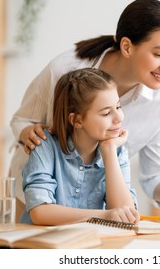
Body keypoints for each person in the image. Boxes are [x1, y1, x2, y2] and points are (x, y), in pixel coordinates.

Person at [10, 0, 160, 219]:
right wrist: (31, 134)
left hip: (91, 215)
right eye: (159, 54)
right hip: (33, 199)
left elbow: (156, 182)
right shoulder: (66, 70)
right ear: (126, 46)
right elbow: (22, 120)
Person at [20, 68, 139, 225]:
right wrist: (104, 215)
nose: (119, 118)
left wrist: (109, 151)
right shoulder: (45, 145)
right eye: (106, 113)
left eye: (118, 107)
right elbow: (40, 212)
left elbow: (126, 215)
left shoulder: (116, 150)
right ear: (76, 120)